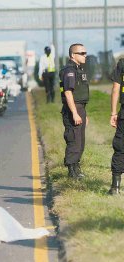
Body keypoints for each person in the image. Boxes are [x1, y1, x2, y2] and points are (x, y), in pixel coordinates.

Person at [59, 43, 89, 180]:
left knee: (80, 141)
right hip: (73, 109)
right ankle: (72, 172)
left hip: (80, 108)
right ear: (73, 55)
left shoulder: (78, 69)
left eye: (85, 53)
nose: (85, 56)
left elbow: (79, 94)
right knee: (73, 140)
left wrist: (84, 113)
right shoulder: (69, 70)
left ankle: (76, 168)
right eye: (81, 53)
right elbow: (68, 93)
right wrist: (74, 113)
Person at [108, 58, 124, 194]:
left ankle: (115, 187)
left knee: (120, 147)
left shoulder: (122, 63)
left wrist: (113, 113)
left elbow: (115, 89)